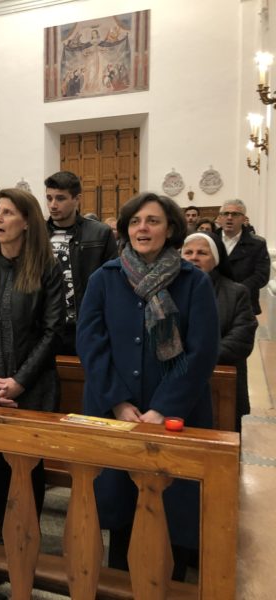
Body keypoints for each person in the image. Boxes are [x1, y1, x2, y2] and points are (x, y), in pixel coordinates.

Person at [77, 192, 219, 579]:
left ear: (170, 229)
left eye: (153, 221)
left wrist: (163, 408)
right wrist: (119, 402)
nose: (143, 228)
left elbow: (202, 351)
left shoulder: (193, 282)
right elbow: (91, 343)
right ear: (125, 229)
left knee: (172, 510)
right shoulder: (105, 278)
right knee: (121, 510)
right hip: (118, 416)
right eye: (136, 222)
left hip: (176, 418)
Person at [0, 188, 65, 544]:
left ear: (27, 222)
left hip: (31, 388)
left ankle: (26, 542)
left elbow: (53, 331)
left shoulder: (47, 268)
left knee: (29, 467)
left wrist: (19, 382)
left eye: (7, 213)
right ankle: (1, 544)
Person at [182, 232, 257, 432]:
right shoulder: (168, 290)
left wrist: (195, 360)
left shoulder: (236, 292)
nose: (194, 258)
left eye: (202, 253)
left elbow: (241, 340)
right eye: (188, 252)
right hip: (178, 382)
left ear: (216, 259)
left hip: (219, 382)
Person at [44, 171, 117, 354]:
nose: (53, 205)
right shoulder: (36, 235)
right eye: (49, 198)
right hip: (46, 327)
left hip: (85, 326)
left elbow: (112, 284)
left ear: (77, 199)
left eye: (60, 198)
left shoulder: (100, 233)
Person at [218, 199, 269, 315]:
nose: (229, 217)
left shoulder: (257, 244)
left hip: (245, 301)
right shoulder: (210, 240)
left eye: (235, 214)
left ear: (243, 218)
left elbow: (261, 275)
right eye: (226, 214)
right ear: (220, 218)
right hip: (215, 299)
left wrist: (237, 290)